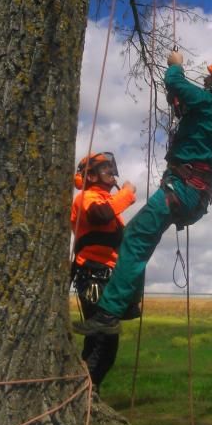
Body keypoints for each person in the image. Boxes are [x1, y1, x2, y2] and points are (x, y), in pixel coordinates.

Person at [73, 50, 212, 338]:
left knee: (135, 239)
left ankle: (108, 313)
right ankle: (126, 305)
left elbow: (177, 83)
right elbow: (192, 118)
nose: (205, 79)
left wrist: (175, 66)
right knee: (139, 239)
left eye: (211, 76)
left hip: (180, 188)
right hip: (196, 196)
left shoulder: (210, 103)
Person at [71, 151, 137, 394]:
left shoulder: (106, 201)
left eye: (111, 168)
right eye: (105, 169)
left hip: (106, 274)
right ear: (90, 175)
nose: (111, 173)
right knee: (101, 339)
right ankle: (84, 392)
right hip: (93, 275)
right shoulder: (87, 197)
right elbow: (100, 215)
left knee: (106, 341)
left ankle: (89, 390)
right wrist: (127, 194)